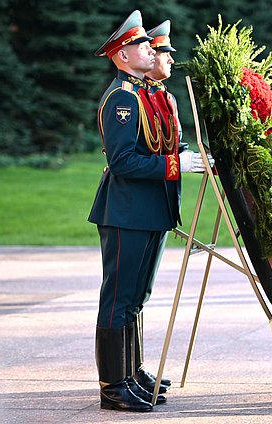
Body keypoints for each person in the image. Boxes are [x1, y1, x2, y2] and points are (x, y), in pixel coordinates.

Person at [89, 10, 208, 412]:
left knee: (137, 297)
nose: (150, 50)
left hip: (150, 210)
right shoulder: (121, 99)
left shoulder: (141, 93)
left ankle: (130, 372)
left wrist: (181, 159)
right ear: (122, 56)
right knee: (119, 298)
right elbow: (123, 162)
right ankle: (112, 385)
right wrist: (177, 166)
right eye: (140, 45)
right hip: (126, 212)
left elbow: (156, 146)